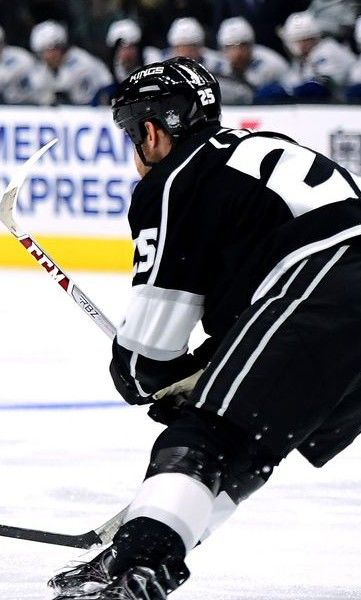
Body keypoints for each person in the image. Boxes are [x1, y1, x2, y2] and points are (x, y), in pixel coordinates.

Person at [48, 56, 361, 599]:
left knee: (205, 433)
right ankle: (146, 546)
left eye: (131, 135)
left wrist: (147, 377)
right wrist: (200, 374)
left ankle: (143, 562)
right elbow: (259, 319)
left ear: (151, 130)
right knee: (247, 440)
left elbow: (148, 356)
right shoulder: (252, 155)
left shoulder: (176, 180)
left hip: (326, 279)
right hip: (332, 293)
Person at [29, 20, 111, 106]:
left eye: (56, 48)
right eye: (47, 50)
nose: (52, 54)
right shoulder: (41, 69)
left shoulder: (80, 62)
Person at [215, 16, 288, 104]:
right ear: (222, 49)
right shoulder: (217, 67)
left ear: (251, 45)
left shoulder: (271, 64)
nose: (237, 53)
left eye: (242, 45)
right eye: (230, 47)